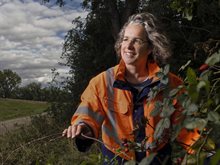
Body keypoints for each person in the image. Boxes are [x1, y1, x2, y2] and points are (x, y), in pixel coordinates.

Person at [62, 12, 200, 164]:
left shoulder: (172, 85)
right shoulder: (102, 82)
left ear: (150, 48)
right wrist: (83, 128)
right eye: (125, 39)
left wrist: (205, 152)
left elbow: (189, 131)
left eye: (137, 41)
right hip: (116, 160)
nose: (128, 46)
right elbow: (87, 113)